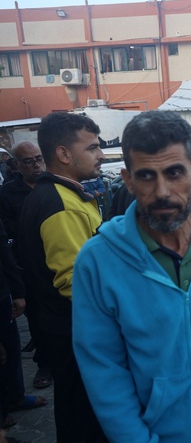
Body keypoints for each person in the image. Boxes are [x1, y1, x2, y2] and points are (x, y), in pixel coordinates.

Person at [72, 110, 191, 443]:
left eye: (174, 173)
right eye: (146, 176)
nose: (162, 191)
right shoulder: (98, 261)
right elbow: (103, 369)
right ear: (128, 181)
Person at [17, 112, 106, 442]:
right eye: (92, 147)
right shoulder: (61, 204)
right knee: (83, 416)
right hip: (76, 329)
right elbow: (74, 282)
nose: (101, 155)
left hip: (65, 327)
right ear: (64, 154)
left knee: (76, 409)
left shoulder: (61, 195)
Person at [0, 141, 52, 390]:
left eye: (39, 159)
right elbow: (7, 232)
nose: (36, 165)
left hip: (57, 261)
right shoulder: (7, 194)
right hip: (27, 266)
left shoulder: (54, 186)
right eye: (29, 161)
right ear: (17, 165)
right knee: (37, 317)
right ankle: (45, 363)